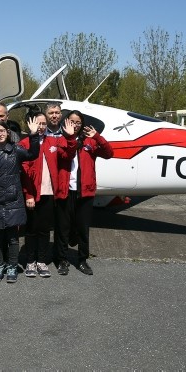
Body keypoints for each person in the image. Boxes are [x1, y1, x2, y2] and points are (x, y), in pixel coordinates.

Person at [0, 117, 40, 283]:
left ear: (7, 132)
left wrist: (34, 134)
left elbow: (33, 154)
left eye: (2, 131)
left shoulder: (16, 149)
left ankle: (12, 266)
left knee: (13, 237)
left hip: (13, 198)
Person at [57, 110, 114, 275]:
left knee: (83, 228)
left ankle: (82, 260)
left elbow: (109, 153)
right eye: (72, 121)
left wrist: (97, 136)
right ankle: (61, 259)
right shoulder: (61, 140)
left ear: (82, 124)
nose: (75, 125)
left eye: (78, 122)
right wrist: (69, 138)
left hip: (85, 192)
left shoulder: (90, 141)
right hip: (65, 191)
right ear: (66, 122)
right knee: (63, 228)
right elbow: (65, 155)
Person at [20, 112, 76, 278]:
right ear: (30, 123)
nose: (42, 127)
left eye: (44, 124)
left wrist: (71, 138)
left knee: (44, 230)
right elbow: (24, 171)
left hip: (49, 193)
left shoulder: (54, 141)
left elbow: (68, 155)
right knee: (30, 230)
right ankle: (30, 261)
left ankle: (41, 261)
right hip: (32, 195)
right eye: (38, 123)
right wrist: (29, 194)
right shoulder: (25, 143)